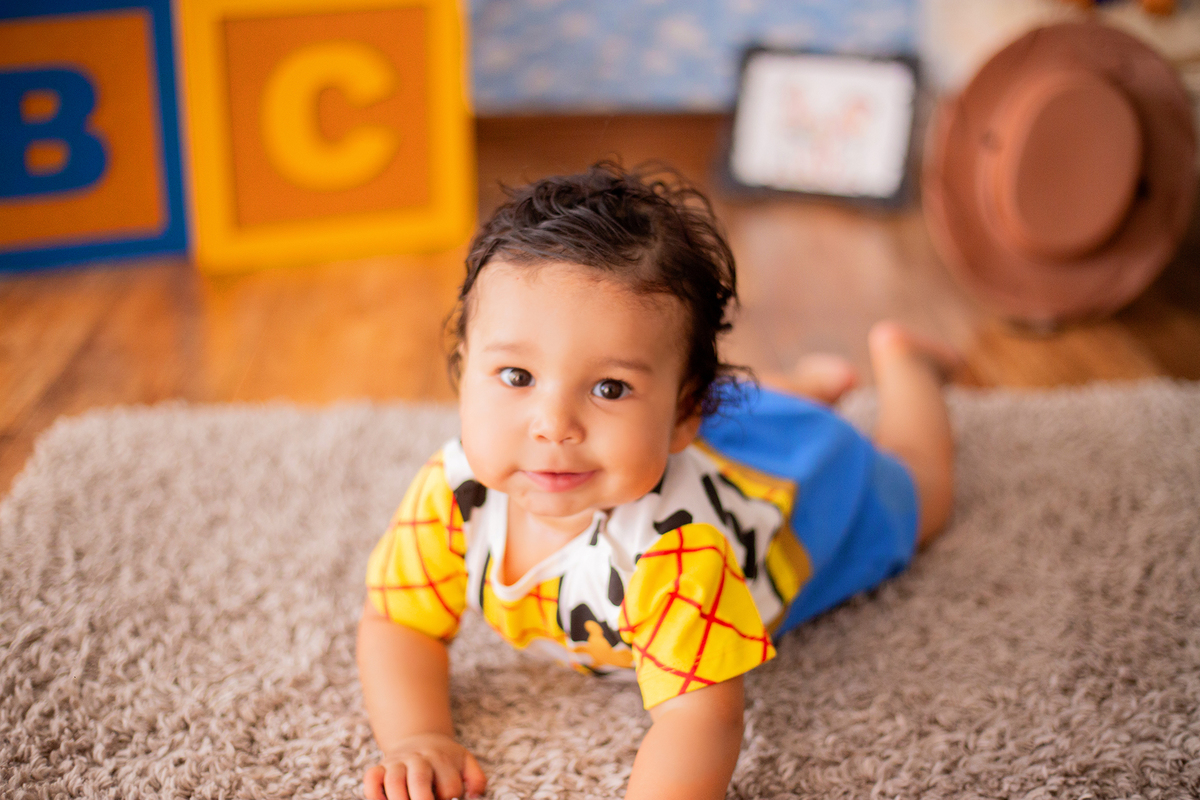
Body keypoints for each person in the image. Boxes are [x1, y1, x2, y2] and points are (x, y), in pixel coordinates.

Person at [357, 162, 958, 800]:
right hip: (703, 435)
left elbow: (700, 718)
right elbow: (398, 621)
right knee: (714, 419)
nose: (553, 426)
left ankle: (904, 364)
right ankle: (799, 386)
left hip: (800, 494)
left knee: (924, 498)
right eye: (516, 376)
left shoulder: (677, 556)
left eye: (608, 386)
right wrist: (417, 736)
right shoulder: (450, 496)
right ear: (463, 369)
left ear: (684, 415)